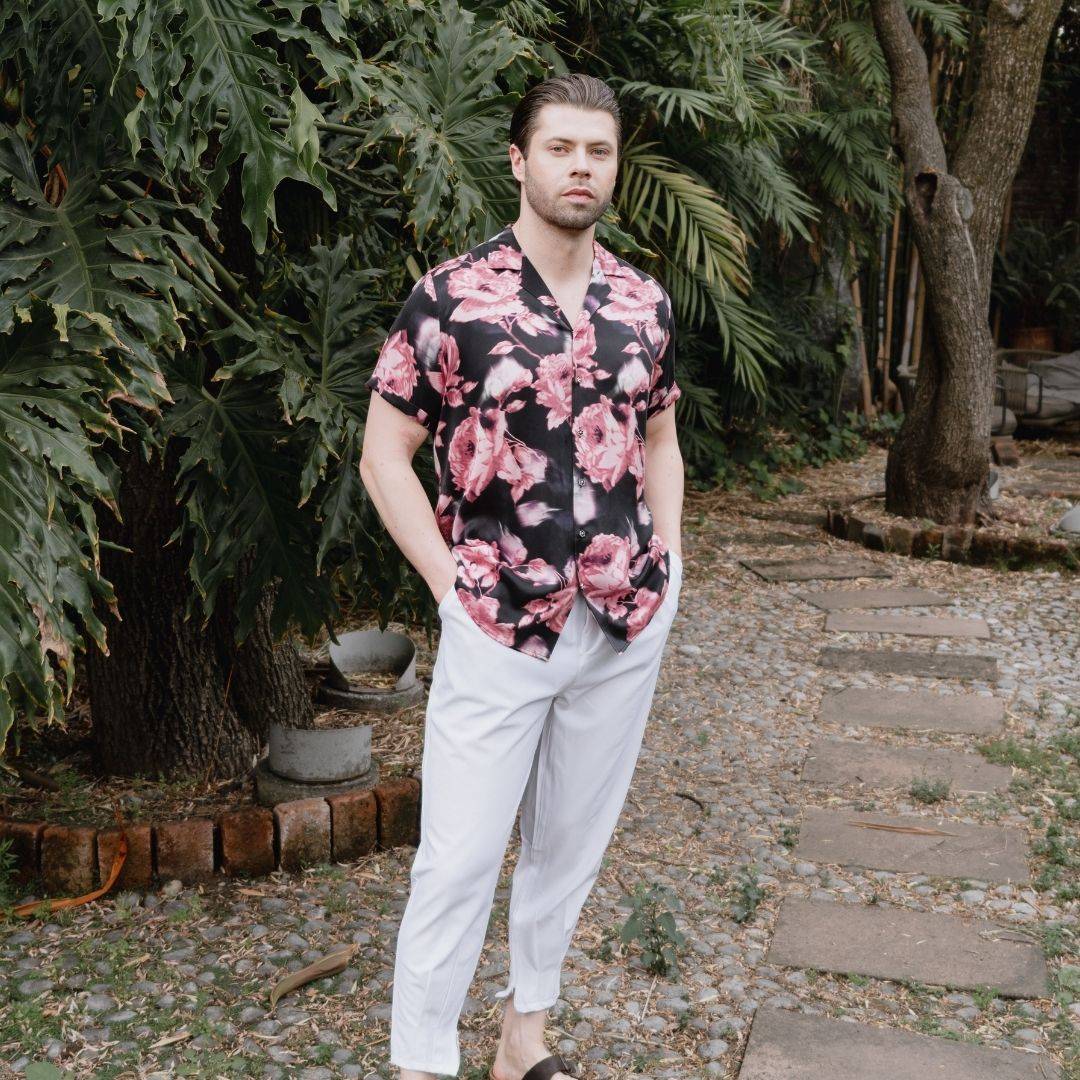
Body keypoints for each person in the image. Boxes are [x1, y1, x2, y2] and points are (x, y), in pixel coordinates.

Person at [360, 72, 684, 1080]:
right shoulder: (452, 298)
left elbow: (662, 438)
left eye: (598, 151)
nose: (580, 167)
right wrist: (445, 584)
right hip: (495, 621)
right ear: (519, 159)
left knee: (568, 848)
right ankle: (422, 1064)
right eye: (560, 149)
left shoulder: (643, 300)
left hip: (622, 622)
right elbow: (382, 454)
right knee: (456, 858)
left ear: (615, 169)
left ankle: (523, 1039)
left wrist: (669, 565)